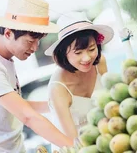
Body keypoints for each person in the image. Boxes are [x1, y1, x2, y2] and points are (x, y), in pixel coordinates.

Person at [0, 0, 76, 152]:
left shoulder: (4, 58)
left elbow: (15, 106)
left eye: (38, 41)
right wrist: (75, 147)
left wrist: (54, 105)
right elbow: (27, 116)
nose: (35, 48)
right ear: (8, 33)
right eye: (30, 41)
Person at [43, 12, 114, 151]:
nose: (87, 58)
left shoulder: (100, 63)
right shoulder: (58, 88)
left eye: (92, 49)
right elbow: (73, 140)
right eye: (78, 52)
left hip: (106, 141)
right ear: (64, 53)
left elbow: (110, 105)